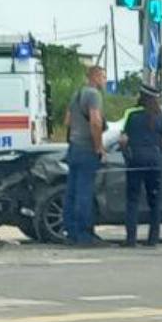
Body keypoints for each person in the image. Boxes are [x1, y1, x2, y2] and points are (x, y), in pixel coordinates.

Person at [118, 85, 162, 247]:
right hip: (154, 162)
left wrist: (126, 153)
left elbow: (123, 140)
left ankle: (131, 239)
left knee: (133, 200)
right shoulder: (159, 117)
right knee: (154, 201)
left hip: (135, 162)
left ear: (141, 97)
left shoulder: (132, 115)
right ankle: (153, 239)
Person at [63, 64, 106, 246]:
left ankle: (71, 232)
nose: (105, 81)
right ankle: (85, 234)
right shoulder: (94, 95)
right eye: (103, 77)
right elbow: (95, 122)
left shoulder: (77, 94)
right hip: (87, 149)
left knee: (71, 192)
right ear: (95, 77)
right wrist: (98, 147)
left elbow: (67, 121)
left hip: (74, 147)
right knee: (85, 193)